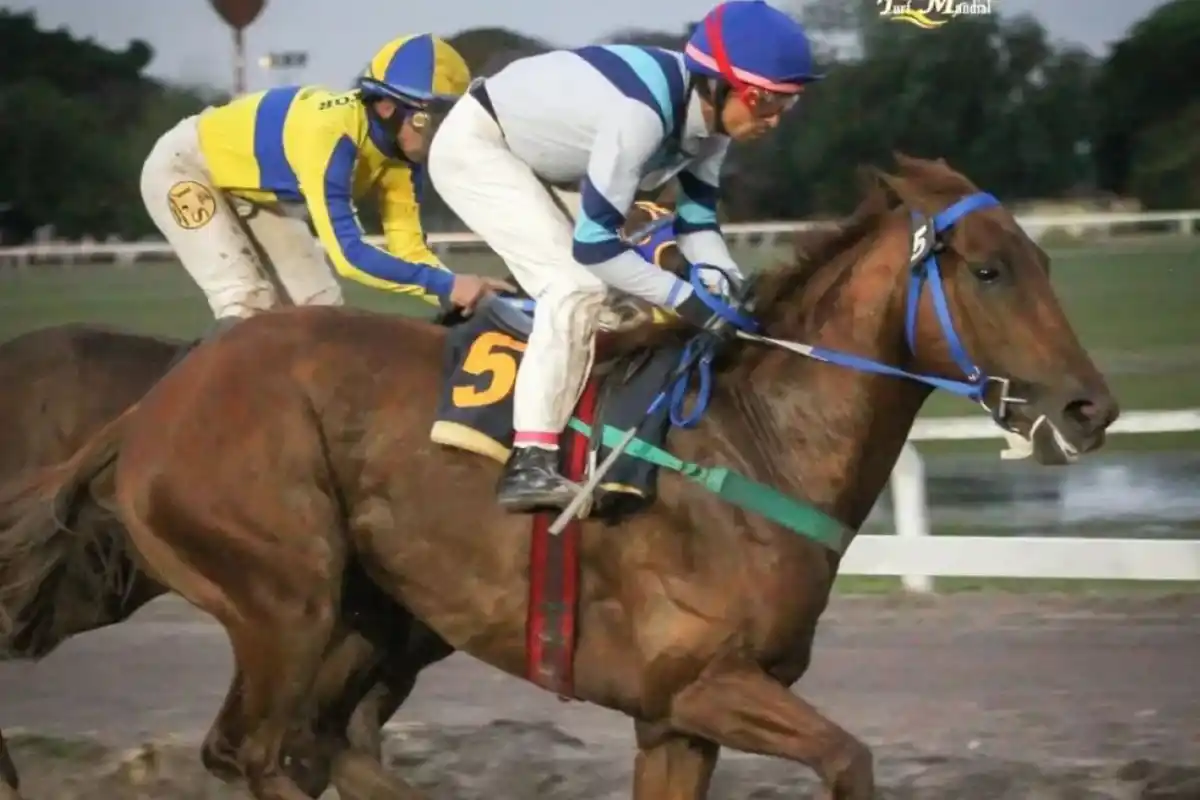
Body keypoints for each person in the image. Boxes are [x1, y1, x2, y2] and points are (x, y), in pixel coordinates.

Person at [427, 0, 821, 512]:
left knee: (624, 301)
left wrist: (727, 286)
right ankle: (529, 461)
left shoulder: (711, 129)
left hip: (545, 164)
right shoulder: (642, 115)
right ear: (718, 84)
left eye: (787, 103)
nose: (774, 119)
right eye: (764, 100)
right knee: (576, 287)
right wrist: (688, 299)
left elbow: (696, 224)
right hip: (479, 148)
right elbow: (596, 246)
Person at [139, 33, 511, 340]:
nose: (440, 135)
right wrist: (447, 285)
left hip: (252, 190)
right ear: (386, 106)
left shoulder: (402, 155)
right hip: (185, 166)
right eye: (431, 120)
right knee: (245, 300)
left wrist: (459, 293)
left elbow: (409, 250)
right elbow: (348, 255)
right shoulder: (332, 137)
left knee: (321, 309)